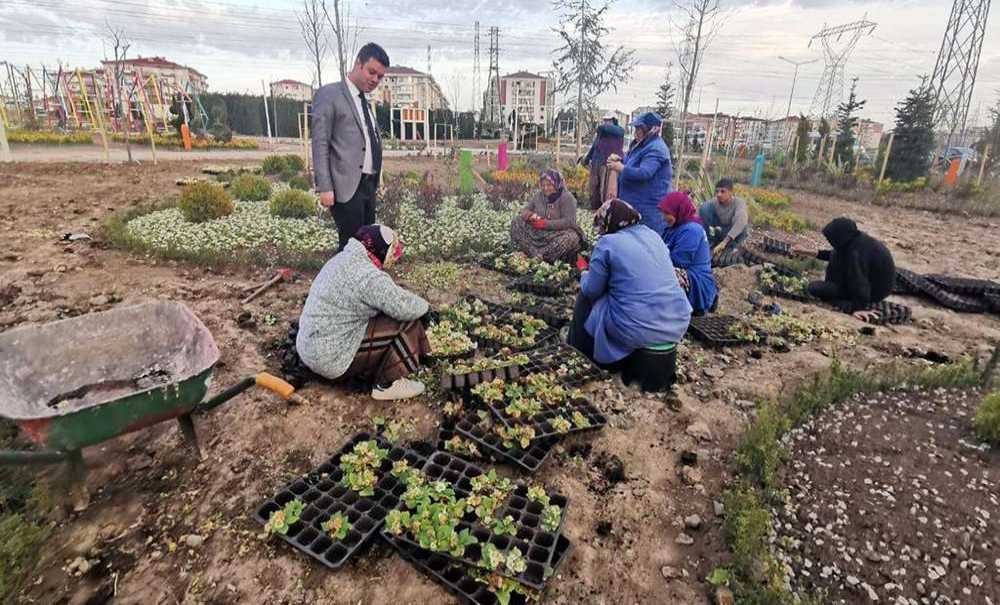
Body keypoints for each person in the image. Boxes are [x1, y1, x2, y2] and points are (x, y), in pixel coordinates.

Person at [296, 225, 431, 401]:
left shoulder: (343, 259)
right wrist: (427, 308)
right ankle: (386, 385)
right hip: (330, 360)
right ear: (381, 250)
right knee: (410, 322)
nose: (395, 255)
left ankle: (375, 366)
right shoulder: (368, 276)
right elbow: (404, 306)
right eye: (392, 250)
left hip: (309, 348)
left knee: (386, 311)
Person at [568, 199, 692, 371]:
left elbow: (592, 290)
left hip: (636, 327)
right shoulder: (652, 234)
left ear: (608, 222)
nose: (600, 231)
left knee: (586, 294)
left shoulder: (608, 243)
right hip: (678, 322)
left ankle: (578, 348)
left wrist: (583, 271)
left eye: (601, 225)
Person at [312, 43, 390, 251]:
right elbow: (320, 142)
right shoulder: (330, 94)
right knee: (350, 248)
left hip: (367, 186)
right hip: (346, 188)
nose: (375, 79)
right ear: (358, 63)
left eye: (380, 77)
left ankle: (357, 283)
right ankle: (340, 283)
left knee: (365, 248)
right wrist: (325, 187)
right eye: (371, 72)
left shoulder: (363, 101)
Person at [794, 217, 896, 321]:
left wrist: (857, 309)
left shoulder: (855, 254)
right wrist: (810, 252)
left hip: (873, 292)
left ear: (839, 237)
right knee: (835, 262)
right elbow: (835, 255)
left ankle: (847, 305)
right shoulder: (856, 240)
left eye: (831, 239)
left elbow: (860, 284)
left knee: (814, 288)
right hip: (871, 285)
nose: (830, 242)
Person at [607, 112, 673, 236]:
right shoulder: (641, 145)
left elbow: (645, 172)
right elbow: (631, 163)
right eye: (635, 128)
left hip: (648, 210)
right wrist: (619, 160)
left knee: (647, 242)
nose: (635, 132)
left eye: (639, 129)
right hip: (634, 206)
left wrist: (621, 168)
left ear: (651, 129)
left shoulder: (656, 149)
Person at [658, 191, 718, 315]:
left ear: (679, 210)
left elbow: (679, 262)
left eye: (667, 213)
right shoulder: (672, 228)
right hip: (684, 274)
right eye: (663, 212)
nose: (664, 217)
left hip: (697, 283)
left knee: (662, 276)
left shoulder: (691, 230)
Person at [509, 169, 586, 264]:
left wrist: (544, 224)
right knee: (516, 221)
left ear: (556, 184)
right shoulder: (538, 195)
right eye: (543, 185)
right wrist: (530, 216)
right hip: (538, 233)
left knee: (571, 238)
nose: (545, 188)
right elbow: (525, 210)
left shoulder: (567, 198)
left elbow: (569, 221)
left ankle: (543, 257)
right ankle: (532, 253)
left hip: (557, 234)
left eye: (549, 185)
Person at [698, 178, 750, 265]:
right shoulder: (714, 203)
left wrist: (725, 242)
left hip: (733, 234)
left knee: (742, 223)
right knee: (704, 208)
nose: (719, 194)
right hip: (721, 231)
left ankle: (734, 246)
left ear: (731, 192)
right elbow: (701, 217)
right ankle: (710, 241)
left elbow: (741, 220)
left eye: (723, 191)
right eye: (717, 191)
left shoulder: (738, 203)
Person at [581, 114, 626, 209]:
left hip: (607, 164)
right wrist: (587, 159)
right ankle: (594, 209)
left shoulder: (617, 133)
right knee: (593, 189)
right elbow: (594, 146)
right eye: (605, 120)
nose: (606, 122)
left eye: (609, 120)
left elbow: (619, 131)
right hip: (596, 163)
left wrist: (602, 127)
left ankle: (605, 210)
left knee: (605, 189)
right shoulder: (601, 134)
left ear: (614, 121)